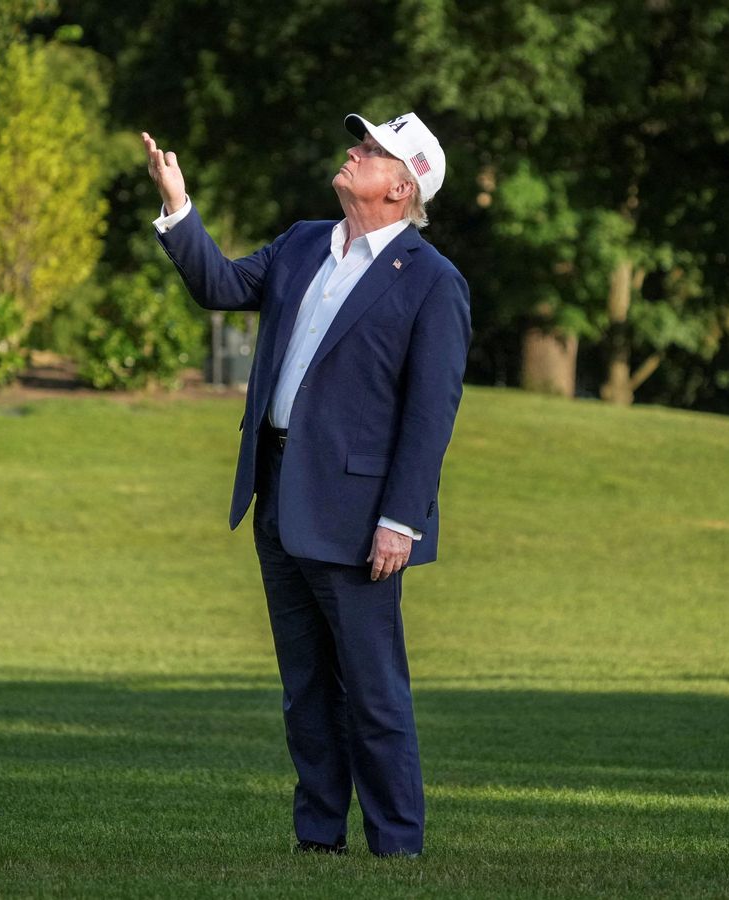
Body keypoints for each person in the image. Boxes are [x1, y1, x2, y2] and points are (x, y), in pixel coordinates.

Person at [141, 111, 470, 858]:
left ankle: (397, 843)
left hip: (360, 517)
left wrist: (401, 520)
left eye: (374, 150)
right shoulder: (299, 243)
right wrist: (177, 206)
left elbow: (430, 417)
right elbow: (221, 286)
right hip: (278, 491)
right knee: (306, 688)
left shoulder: (432, 282)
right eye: (361, 143)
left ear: (402, 185)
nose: (355, 152)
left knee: (373, 690)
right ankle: (318, 835)